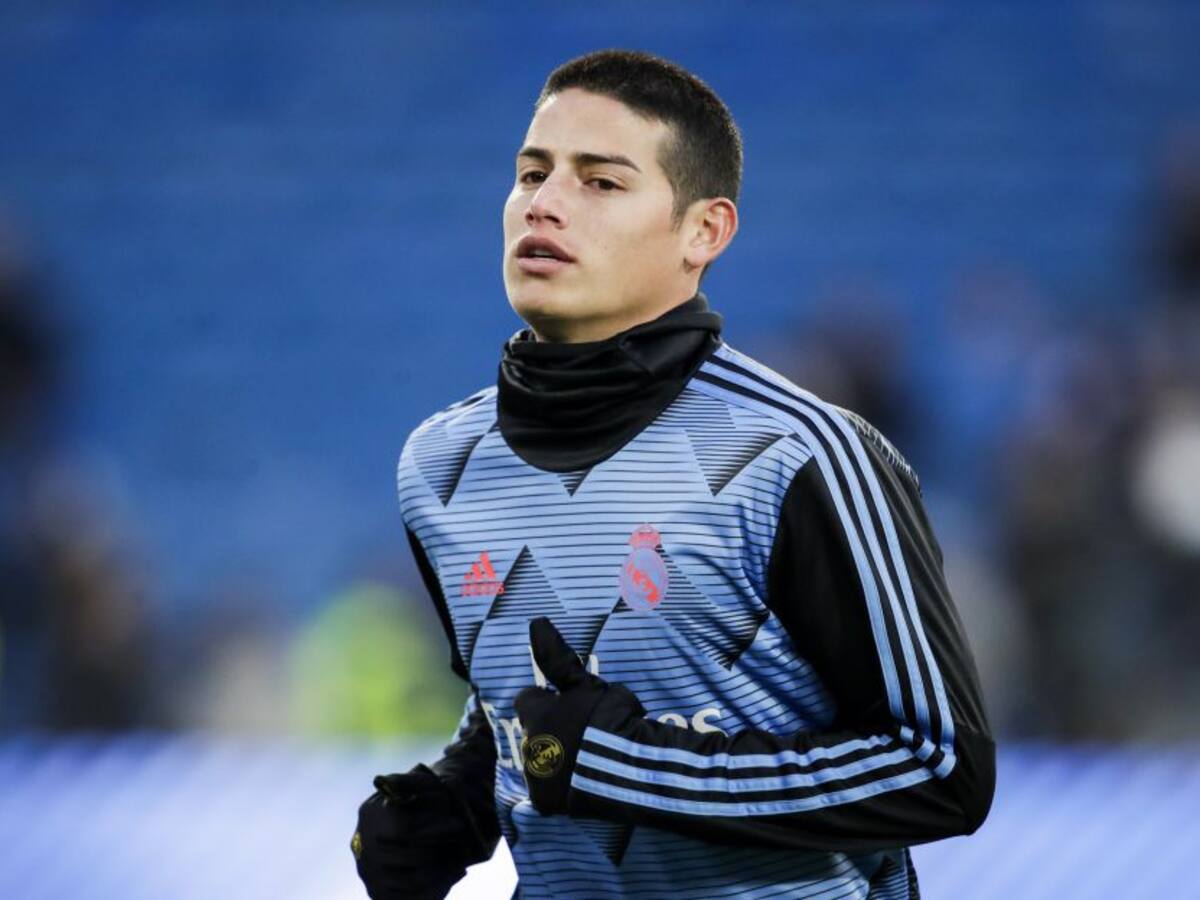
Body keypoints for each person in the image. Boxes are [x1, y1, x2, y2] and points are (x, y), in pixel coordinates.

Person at [352, 49, 995, 899]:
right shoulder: (440, 464)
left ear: (704, 232)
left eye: (600, 182)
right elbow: (532, 712)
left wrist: (634, 767)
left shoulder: (800, 453)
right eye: (531, 173)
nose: (544, 204)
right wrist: (457, 801)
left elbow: (941, 768)